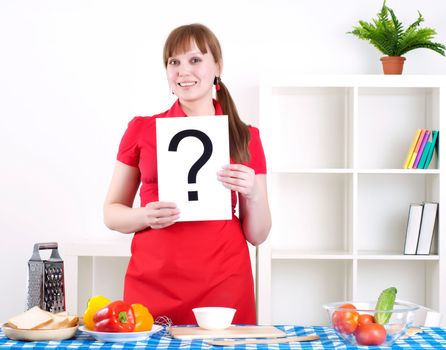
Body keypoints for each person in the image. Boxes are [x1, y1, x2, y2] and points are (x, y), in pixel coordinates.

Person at [103, 23, 271, 325]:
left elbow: (257, 235)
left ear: (217, 66)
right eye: (174, 62)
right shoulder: (141, 129)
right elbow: (112, 213)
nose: (183, 70)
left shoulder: (245, 137)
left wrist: (254, 194)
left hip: (224, 284)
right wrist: (144, 216)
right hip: (154, 282)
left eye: (195, 60)